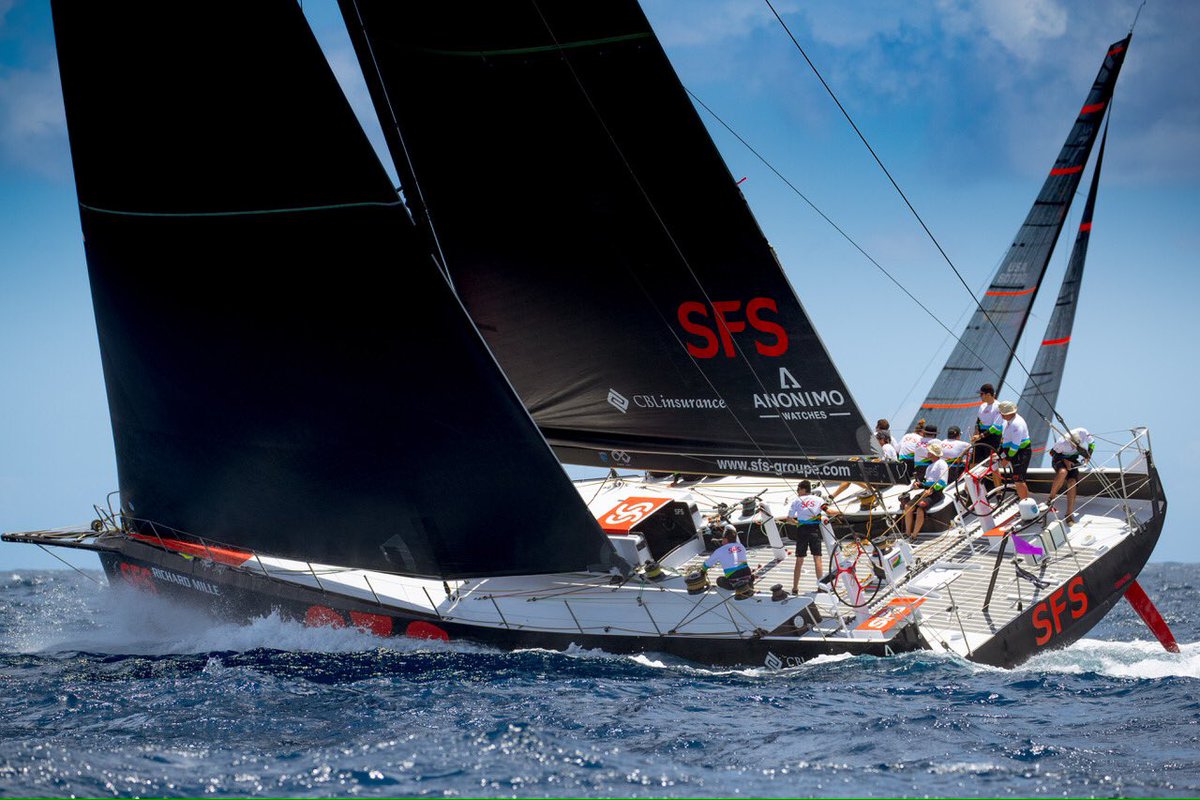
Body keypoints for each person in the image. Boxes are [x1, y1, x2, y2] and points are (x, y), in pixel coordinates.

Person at [778, 480, 842, 595]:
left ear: (803, 489)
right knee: (817, 558)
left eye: (798, 489)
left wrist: (798, 523)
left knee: (799, 560)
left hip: (802, 531)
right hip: (814, 531)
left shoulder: (796, 501)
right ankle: (821, 587)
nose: (797, 491)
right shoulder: (819, 500)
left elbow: (789, 519)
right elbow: (829, 511)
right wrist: (841, 512)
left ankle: (795, 588)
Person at [1048, 427, 1096, 523]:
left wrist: (1088, 456)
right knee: (1063, 472)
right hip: (1059, 458)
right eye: (1073, 446)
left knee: (1072, 482)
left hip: (1073, 459)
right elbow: (1051, 453)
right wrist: (1065, 461)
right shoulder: (1061, 443)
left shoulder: (1083, 432)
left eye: (1077, 446)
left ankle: (1069, 513)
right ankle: (1051, 498)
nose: (1075, 448)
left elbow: (1092, 443)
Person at [902, 441, 948, 540]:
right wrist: (919, 485)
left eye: (929, 451)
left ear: (933, 453)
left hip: (936, 493)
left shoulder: (942, 464)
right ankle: (907, 533)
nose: (927, 452)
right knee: (907, 507)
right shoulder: (930, 466)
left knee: (920, 508)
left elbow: (942, 483)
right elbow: (927, 482)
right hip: (926, 491)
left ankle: (914, 535)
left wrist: (932, 490)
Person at [998, 400, 1031, 501]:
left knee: (1018, 479)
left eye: (1003, 414)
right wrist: (999, 453)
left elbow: (1015, 445)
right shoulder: (1007, 421)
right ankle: (1024, 501)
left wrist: (1007, 459)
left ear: (1010, 413)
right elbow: (1005, 439)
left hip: (1021, 453)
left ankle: (1026, 503)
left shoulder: (1017, 424)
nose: (1001, 415)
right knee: (1018, 480)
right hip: (1013, 453)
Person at [971, 384, 1004, 487]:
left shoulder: (998, 407)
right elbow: (978, 422)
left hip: (992, 438)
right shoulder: (982, 406)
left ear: (988, 395)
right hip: (981, 436)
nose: (980, 396)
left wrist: (980, 436)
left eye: (981, 394)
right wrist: (976, 434)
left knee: (993, 465)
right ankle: (971, 489)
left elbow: (995, 427)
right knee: (973, 463)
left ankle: (999, 490)